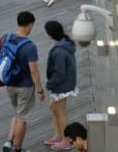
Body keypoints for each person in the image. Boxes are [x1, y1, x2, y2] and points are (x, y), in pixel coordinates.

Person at [0, 11, 44, 152]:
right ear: (30, 26)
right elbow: (34, 71)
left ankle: (8, 142)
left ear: (17, 23)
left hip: (9, 84)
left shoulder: (5, 38)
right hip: (25, 87)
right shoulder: (30, 47)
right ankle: (18, 148)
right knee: (22, 118)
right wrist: (39, 90)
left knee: (17, 113)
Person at [43, 21, 77, 150]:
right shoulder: (65, 44)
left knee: (60, 111)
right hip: (66, 83)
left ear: (50, 34)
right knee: (53, 107)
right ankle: (59, 136)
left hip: (62, 85)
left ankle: (66, 141)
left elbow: (59, 73)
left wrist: (49, 84)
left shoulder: (59, 51)